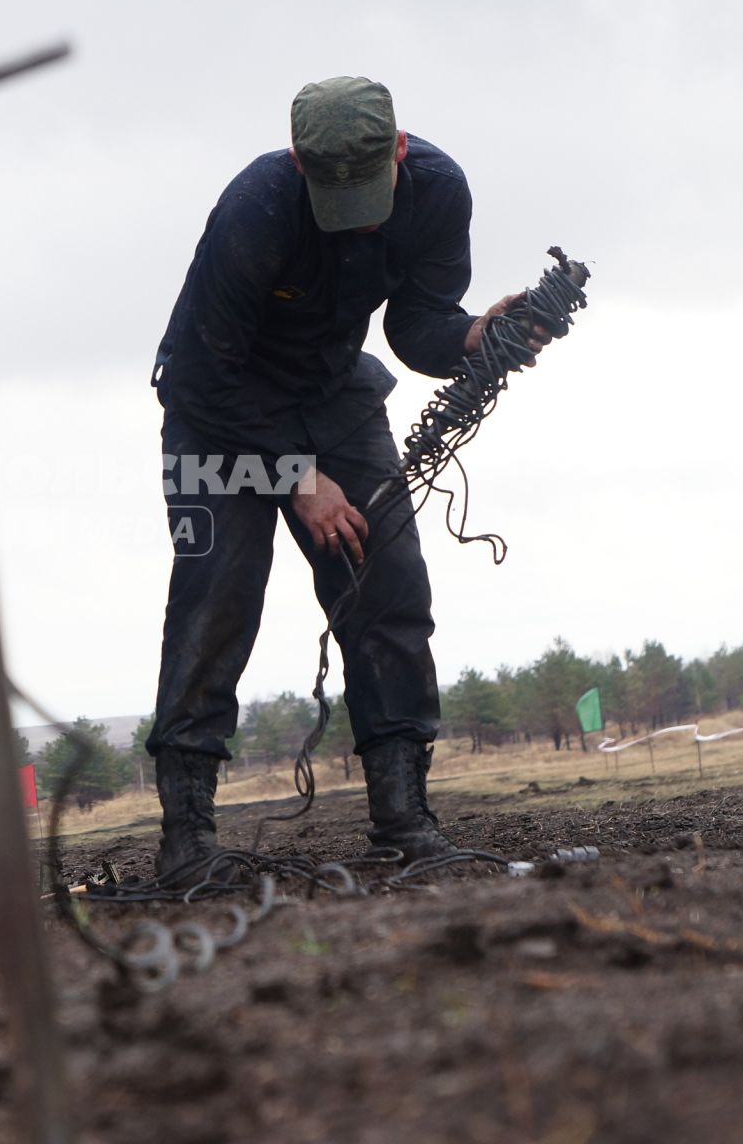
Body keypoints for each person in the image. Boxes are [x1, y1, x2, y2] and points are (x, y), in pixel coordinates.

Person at [146, 76, 546, 876]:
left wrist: (474, 335)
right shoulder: (255, 207)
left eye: (369, 188)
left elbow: (414, 326)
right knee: (216, 601)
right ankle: (187, 842)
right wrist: (297, 477)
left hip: (335, 397)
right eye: (334, 193)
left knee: (390, 590)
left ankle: (404, 819)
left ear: (400, 149)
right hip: (218, 407)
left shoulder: (439, 193)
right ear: (299, 163)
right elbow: (197, 374)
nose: (356, 212)